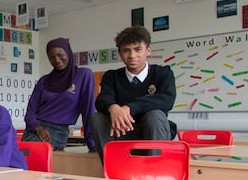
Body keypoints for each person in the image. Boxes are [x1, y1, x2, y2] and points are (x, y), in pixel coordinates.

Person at [90, 26, 177, 163]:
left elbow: (167, 100)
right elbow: (102, 100)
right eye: (126, 50)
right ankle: (113, 169)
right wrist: (114, 108)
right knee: (97, 118)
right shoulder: (112, 76)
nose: (132, 55)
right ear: (120, 53)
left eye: (137, 49)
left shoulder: (162, 73)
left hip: (153, 132)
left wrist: (129, 108)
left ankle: (154, 170)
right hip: (121, 132)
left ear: (148, 50)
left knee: (154, 115)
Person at [22, 37, 96, 152]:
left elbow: (89, 111)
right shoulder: (44, 81)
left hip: (58, 131)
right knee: (23, 159)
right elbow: (30, 112)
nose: (57, 60)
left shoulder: (83, 75)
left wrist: (93, 144)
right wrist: (38, 128)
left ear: (68, 53)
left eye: (60, 54)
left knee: (34, 157)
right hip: (35, 129)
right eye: (52, 57)